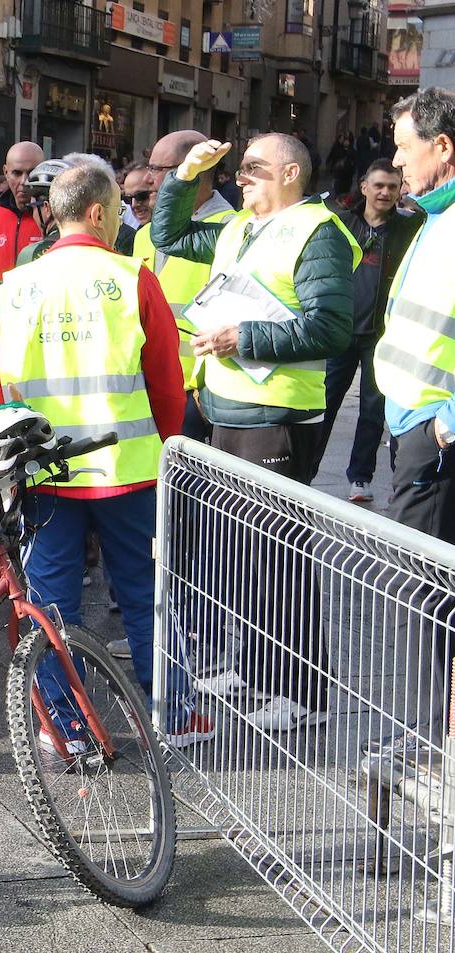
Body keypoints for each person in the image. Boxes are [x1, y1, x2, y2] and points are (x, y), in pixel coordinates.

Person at [0, 160, 211, 748]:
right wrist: (164, 445)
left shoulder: (15, 287)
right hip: (127, 469)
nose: (119, 220)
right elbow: (167, 381)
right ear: (96, 212)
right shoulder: (132, 277)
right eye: (116, 210)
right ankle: (177, 716)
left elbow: (1, 383)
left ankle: (70, 727)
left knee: (54, 604)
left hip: (44, 472)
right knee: (146, 596)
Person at [152, 132, 361, 732]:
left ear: (290, 172)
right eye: (237, 170)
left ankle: (303, 693)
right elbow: (167, 235)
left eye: (252, 169)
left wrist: (243, 338)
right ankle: (256, 667)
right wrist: (185, 175)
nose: (239, 179)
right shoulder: (240, 226)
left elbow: (330, 329)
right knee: (240, 554)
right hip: (228, 406)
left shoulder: (317, 230)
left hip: (277, 416)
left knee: (276, 562)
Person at [376, 87, 455, 545]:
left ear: (442, 146)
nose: (398, 160)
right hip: (415, 424)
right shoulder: (435, 216)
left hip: (434, 430)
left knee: (418, 591)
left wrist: (445, 426)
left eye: (405, 146)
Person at [318, 159, 422, 499]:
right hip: (341, 331)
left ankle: (360, 477)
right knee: (325, 403)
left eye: (392, 187)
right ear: (364, 187)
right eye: (378, 185)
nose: (385, 193)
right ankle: (307, 469)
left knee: (373, 410)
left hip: (381, 335)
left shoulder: (407, 227)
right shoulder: (341, 222)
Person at [137, 130, 239, 443]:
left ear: (196, 168)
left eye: (159, 170)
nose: (148, 179)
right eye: (149, 167)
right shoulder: (147, 233)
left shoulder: (231, 230)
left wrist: (203, 388)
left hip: (196, 393)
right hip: (149, 381)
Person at [0, 141, 46, 279]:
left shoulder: (55, 217)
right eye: (17, 173)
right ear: (6, 172)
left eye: (32, 173)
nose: (24, 181)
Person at [326, 131, 357, 198]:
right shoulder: (338, 147)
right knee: (338, 182)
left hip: (347, 170)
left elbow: (353, 158)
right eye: (343, 140)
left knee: (345, 184)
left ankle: (343, 195)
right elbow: (332, 155)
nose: (344, 142)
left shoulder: (350, 149)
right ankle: (339, 195)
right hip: (339, 169)